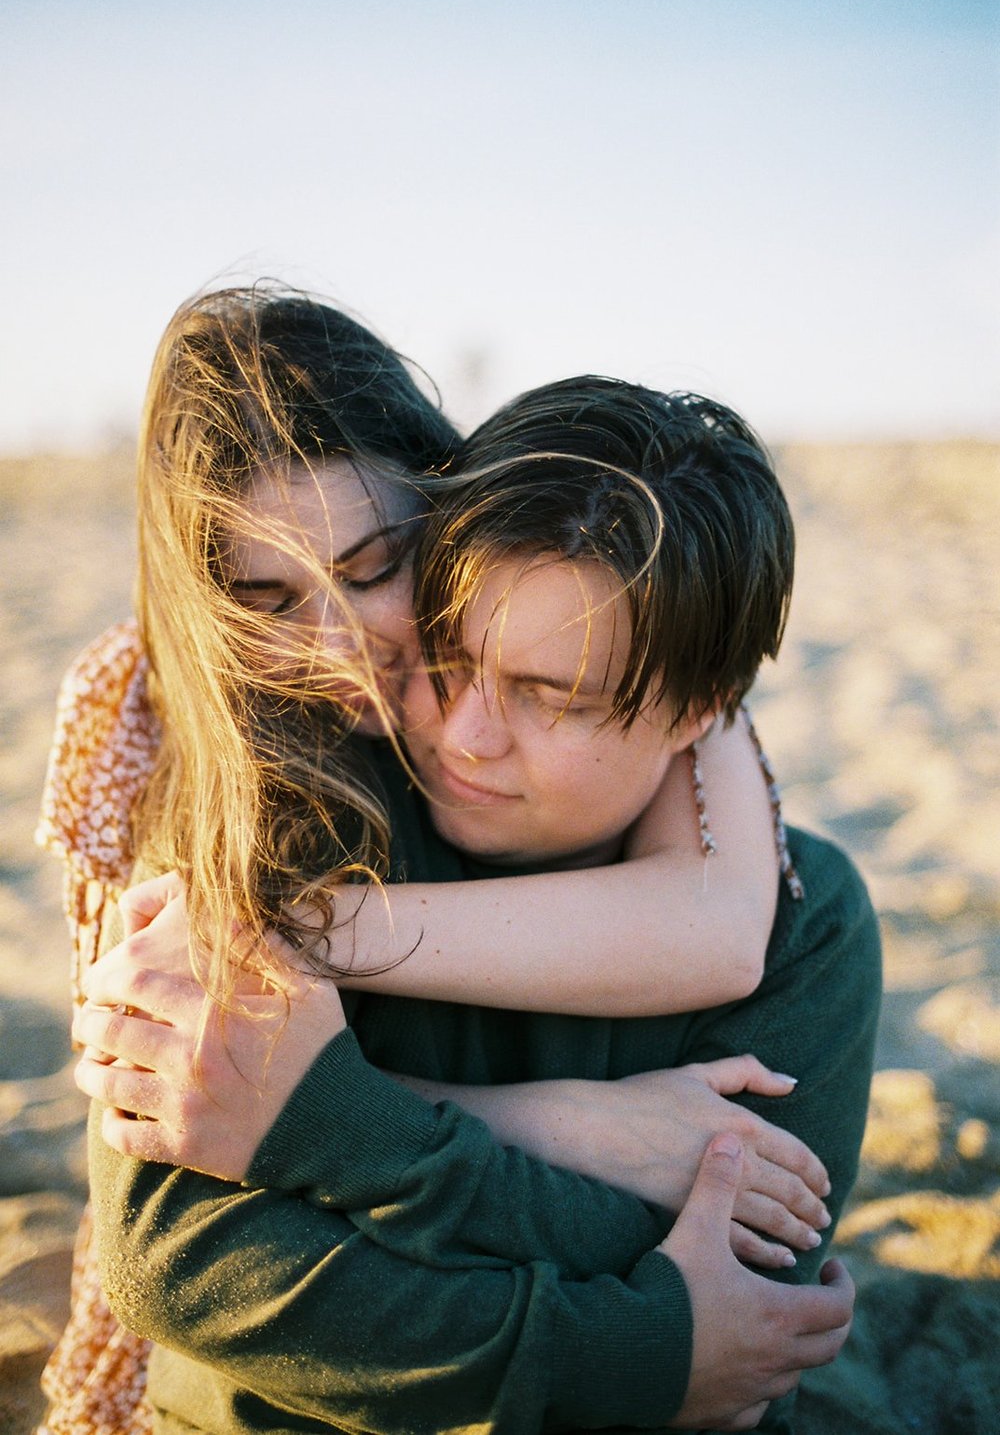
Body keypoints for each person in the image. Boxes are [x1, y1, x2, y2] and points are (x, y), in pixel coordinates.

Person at [63, 355, 877, 1431]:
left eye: (551, 696)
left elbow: (741, 1277)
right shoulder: (290, 811)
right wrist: (635, 1335)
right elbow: (182, 1258)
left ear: (701, 713)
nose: (462, 735)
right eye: (450, 654)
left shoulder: (806, 919)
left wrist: (330, 1131)